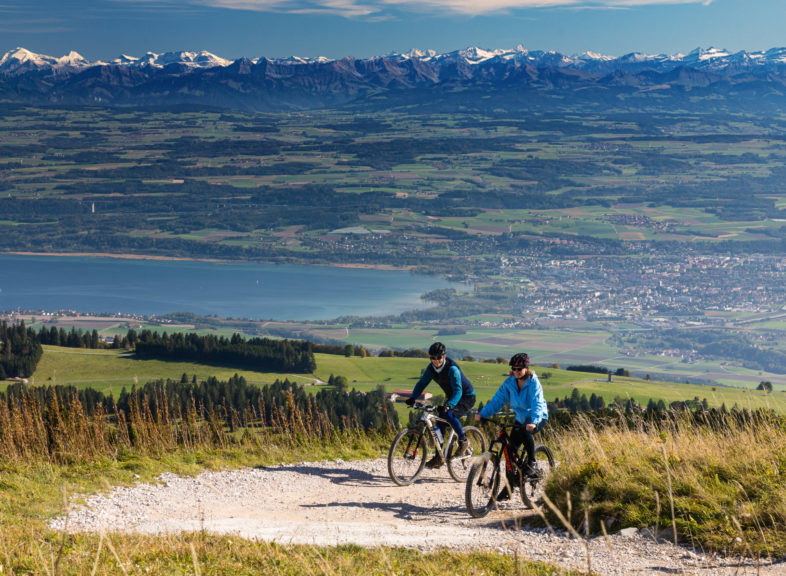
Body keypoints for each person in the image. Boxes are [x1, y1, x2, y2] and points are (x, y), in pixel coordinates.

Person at [474, 352, 548, 500]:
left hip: (537, 418)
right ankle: (508, 488)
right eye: (513, 369)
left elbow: (537, 403)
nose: (516, 372)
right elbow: (498, 400)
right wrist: (483, 413)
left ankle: (532, 461)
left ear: (526, 368)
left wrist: (534, 421)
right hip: (520, 419)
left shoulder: (533, 383)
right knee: (509, 451)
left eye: (519, 369)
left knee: (526, 433)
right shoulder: (510, 383)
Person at [405, 342, 476, 469]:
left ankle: (464, 441)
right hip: (453, 397)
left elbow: (458, 391)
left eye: (439, 357)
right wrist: (412, 398)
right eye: (433, 358)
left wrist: (449, 405)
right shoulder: (431, 369)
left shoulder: (452, 369)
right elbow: (422, 383)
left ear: (444, 356)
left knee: (448, 414)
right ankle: (439, 457)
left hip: (467, 396)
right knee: (440, 423)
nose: (436, 360)